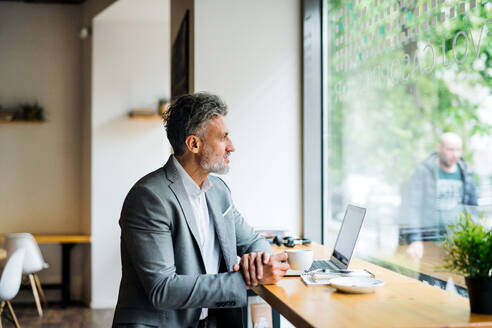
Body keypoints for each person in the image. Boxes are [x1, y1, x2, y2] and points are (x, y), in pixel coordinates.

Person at [112, 93, 289, 328]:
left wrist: (259, 262)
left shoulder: (218, 191)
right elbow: (163, 290)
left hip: (212, 322)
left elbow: (254, 241)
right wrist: (244, 279)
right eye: (223, 138)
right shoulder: (149, 198)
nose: (232, 147)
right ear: (194, 144)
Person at [399, 132, 478, 260]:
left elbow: (472, 208)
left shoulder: (466, 172)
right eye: (450, 149)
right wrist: (415, 240)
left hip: (459, 242)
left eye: (458, 150)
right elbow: (412, 207)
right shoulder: (424, 171)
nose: (455, 154)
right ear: (439, 148)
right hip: (431, 242)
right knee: (429, 280)